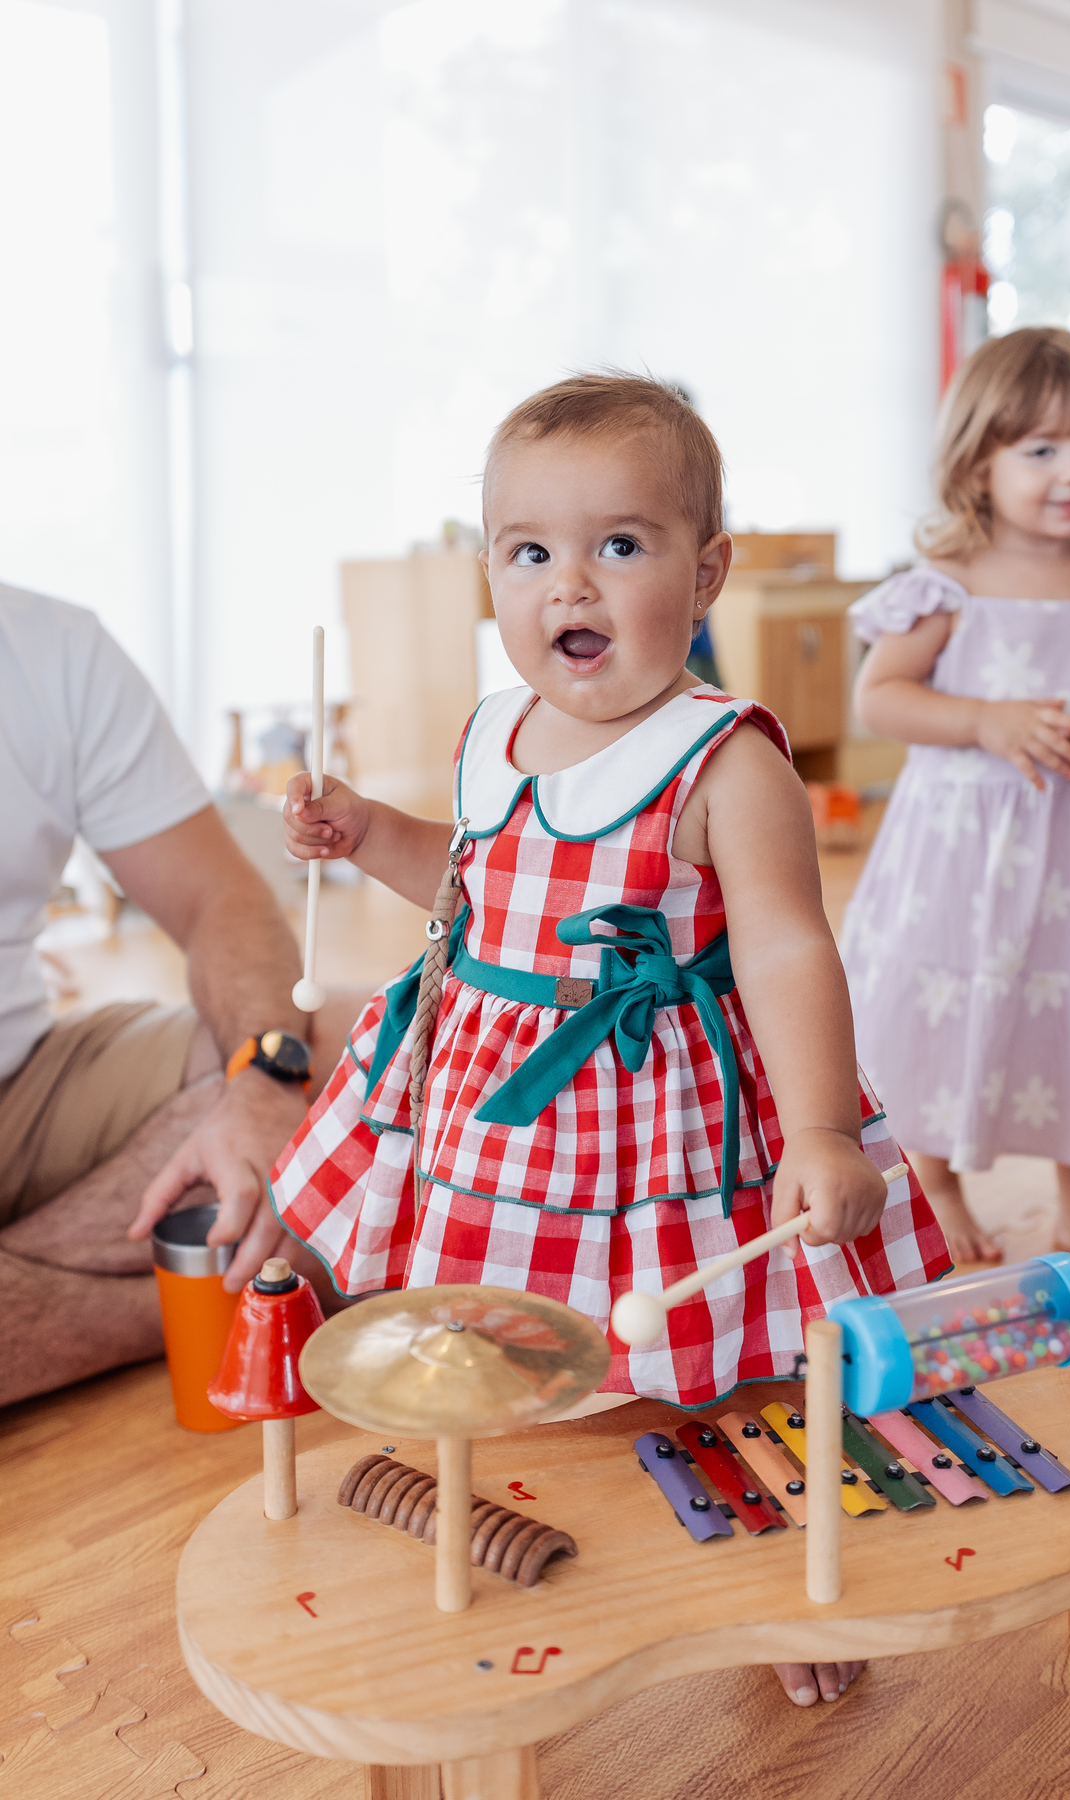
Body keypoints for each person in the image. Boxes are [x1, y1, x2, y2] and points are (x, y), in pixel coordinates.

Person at [273, 372, 950, 1709]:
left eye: (617, 547)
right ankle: (524, 1494)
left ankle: (783, 1581)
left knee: (730, 1356)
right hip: (497, 1102)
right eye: (532, 553)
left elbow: (788, 946)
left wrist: (817, 1130)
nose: (568, 586)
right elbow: (469, 881)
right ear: (489, 575)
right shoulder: (492, 733)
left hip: (667, 1113)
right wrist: (365, 835)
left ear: (707, 574)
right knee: (522, 1326)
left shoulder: (723, 761)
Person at [840, 328, 1070, 1287]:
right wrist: (984, 720)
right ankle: (939, 1185)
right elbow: (880, 699)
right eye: (1038, 449)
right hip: (956, 858)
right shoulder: (948, 590)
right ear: (978, 465)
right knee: (944, 1007)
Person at [0, 582, 357, 1407]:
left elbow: (219, 901)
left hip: (29, 1088)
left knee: (368, 1045)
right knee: (324, 1187)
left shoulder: (53, 648)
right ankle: (181, 1301)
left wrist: (267, 1079)